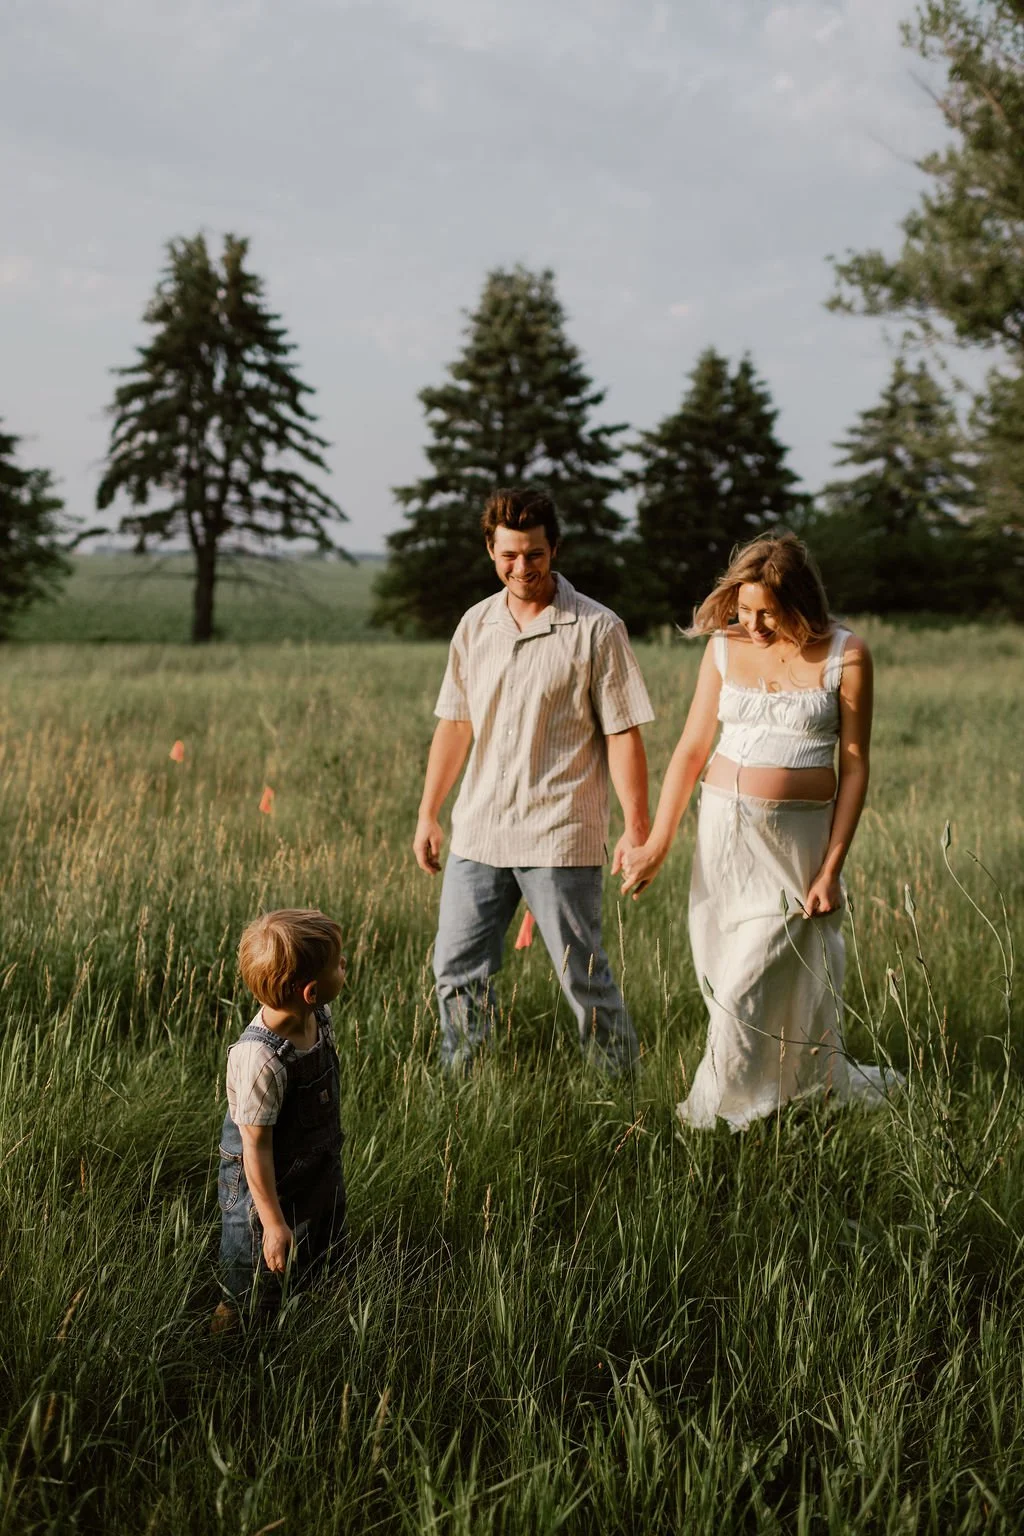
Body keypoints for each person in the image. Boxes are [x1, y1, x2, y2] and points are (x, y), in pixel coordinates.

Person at [620, 532, 896, 1130]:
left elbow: (854, 766)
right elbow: (692, 749)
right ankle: (783, 1094)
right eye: (744, 610)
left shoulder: (846, 655)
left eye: (767, 612)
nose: (753, 624)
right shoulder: (725, 648)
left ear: (801, 603)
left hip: (794, 850)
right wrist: (657, 842)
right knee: (725, 976)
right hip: (722, 841)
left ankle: (720, 1114)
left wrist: (831, 869)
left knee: (751, 979)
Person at [414, 486, 654, 1075]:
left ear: (555, 549)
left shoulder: (597, 628)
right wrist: (428, 812)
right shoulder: (475, 625)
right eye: (509, 555)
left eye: (534, 554)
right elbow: (456, 724)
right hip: (479, 830)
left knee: (583, 975)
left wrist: (637, 828)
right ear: (491, 551)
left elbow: (623, 733)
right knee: (456, 968)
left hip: (560, 831)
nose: (522, 567)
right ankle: (466, 1082)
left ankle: (621, 1087)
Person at [214, 909, 348, 1327]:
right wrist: (272, 1222)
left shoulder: (317, 1017)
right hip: (259, 1185)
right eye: (338, 964)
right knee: (254, 1268)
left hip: (316, 1166)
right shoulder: (260, 1059)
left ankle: (309, 1306)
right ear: (311, 991)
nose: (345, 965)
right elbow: (255, 1147)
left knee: (320, 1244)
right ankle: (233, 1328)